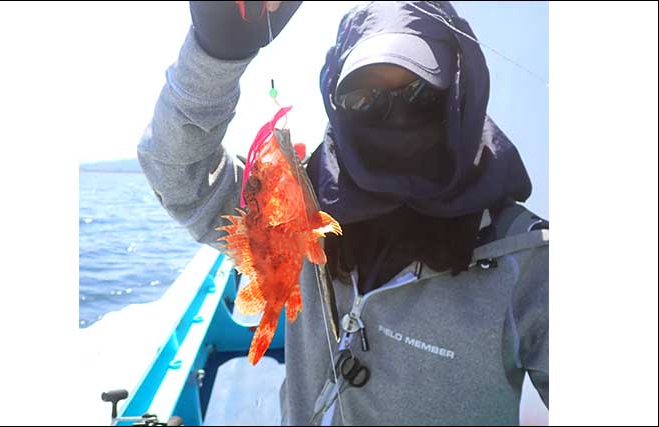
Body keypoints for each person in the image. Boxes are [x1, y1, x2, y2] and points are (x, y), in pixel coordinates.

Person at [137, 1, 549, 425]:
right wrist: (215, 56)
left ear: (458, 98)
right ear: (335, 103)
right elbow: (176, 173)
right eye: (363, 98)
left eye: (419, 94)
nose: (394, 118)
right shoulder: (296, 212)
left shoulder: (531, 265)